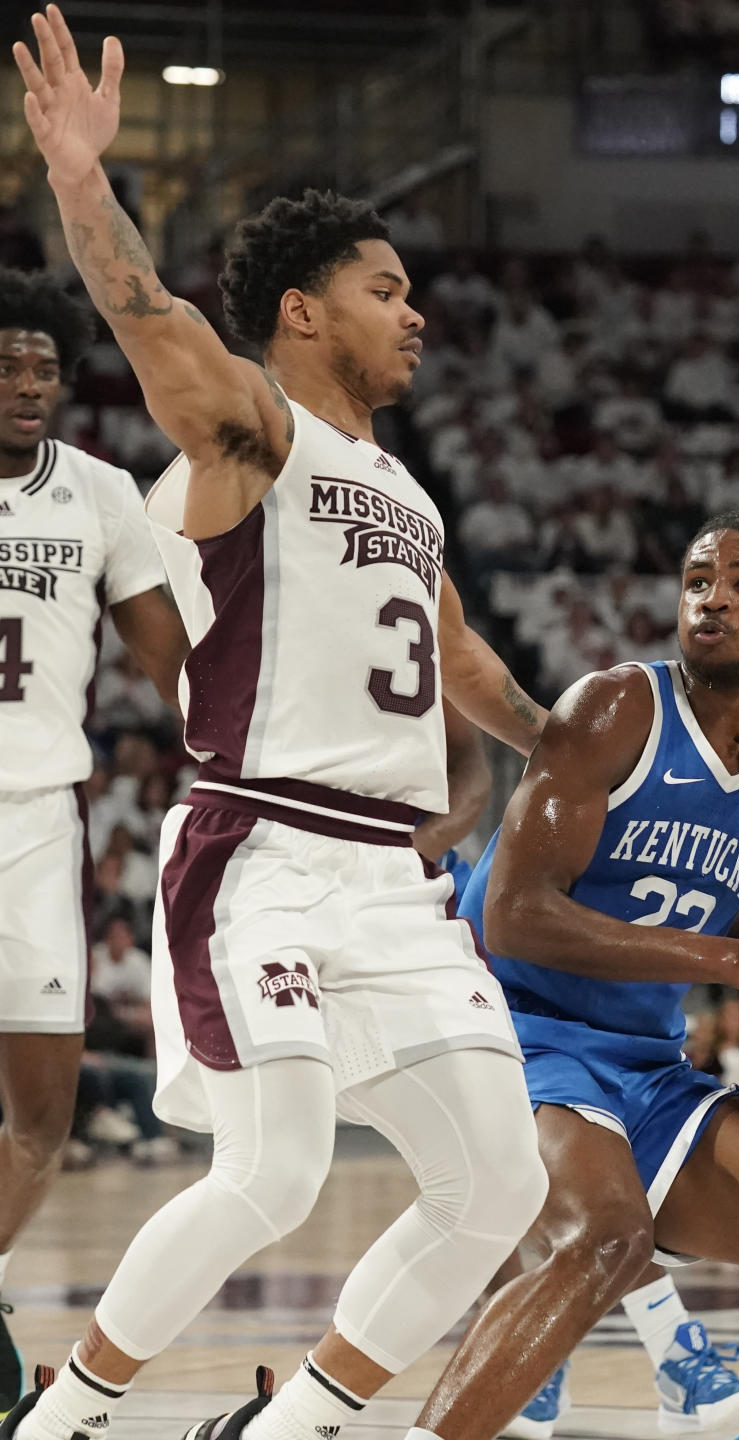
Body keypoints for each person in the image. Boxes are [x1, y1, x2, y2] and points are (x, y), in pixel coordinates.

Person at [7, 11, 550, 1440]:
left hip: (392, 879)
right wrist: (78, 182)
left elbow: (456, 652)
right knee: (275, 1170)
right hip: (263, 850)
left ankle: (293, 1424)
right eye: (386, 287)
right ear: (305, 311)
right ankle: (64, 1419)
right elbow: (142, 310)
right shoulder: (253, 431)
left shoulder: (408, 491)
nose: (415, 311)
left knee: (502, 1181)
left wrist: (553, 739)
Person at [406, 511, 739, 1440]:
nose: (712, 596)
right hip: (502, 1029)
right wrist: (736, 962)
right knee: (604, 1238)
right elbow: (515, 918)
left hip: (644, 1068)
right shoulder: (615, 708)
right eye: (697, 579)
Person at [0, 262, 187, 1412]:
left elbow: (175, 665)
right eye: (6, 362)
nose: (28, 381)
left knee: (42, 1114)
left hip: (33, 824)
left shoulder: (103, 495)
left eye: (43, 365)